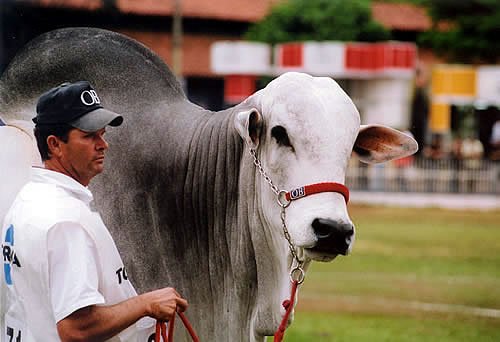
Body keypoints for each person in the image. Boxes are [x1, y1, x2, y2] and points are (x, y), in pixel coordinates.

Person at [1, 81, 188, 341]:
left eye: (102, 134)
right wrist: (146, 304)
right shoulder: (65, 220)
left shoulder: (28, 197)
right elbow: (76, 329)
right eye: (89, 136)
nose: (103, 145)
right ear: (55, 145)